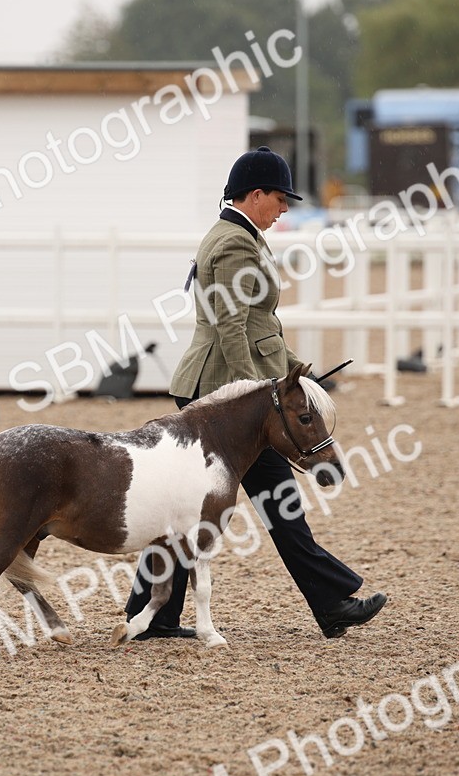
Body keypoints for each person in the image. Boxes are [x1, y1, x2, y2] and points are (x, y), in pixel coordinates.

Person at [125, 146, 387, 641]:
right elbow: (230, 326)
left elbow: (261, 325)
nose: (285, 208)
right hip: (221, 394)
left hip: (234, 390)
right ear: (256, 194)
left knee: (209, 505)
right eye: (280, 199)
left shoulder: (243, 237)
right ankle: (330, 603)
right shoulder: (232, 244)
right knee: (272, 501)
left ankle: (151, 612)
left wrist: (294, 372)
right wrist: (254, 394)